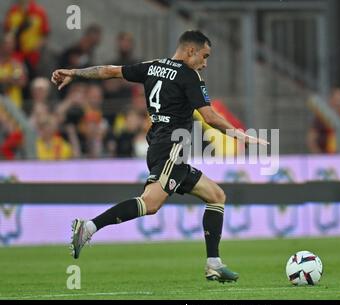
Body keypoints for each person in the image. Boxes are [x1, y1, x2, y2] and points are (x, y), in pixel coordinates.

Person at [51, 30, 268, 283]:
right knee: (150, 203)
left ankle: (214, 263)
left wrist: (75, 73)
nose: (205, 63)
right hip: (171, 148)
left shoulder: (152, 66)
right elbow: (209, 116)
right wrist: (242, 136)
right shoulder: (189, 75)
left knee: (216, 196)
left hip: (160, 144)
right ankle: (88, 227)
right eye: (204, 56)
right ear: (190, 51)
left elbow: (109, 70)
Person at [306, 87, 340, 154]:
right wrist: (319, 156)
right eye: (337, 100)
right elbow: (311, 139)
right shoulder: (322, 117)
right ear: (331, 100)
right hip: (328, 157)